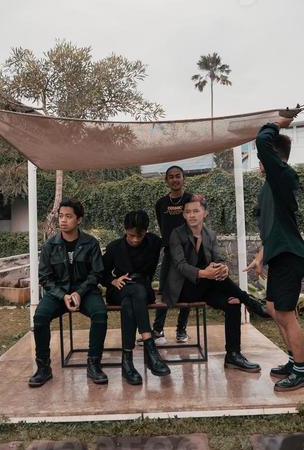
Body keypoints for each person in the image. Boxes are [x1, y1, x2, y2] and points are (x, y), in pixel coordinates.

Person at [163, 194, 261, 372]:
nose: (192, 215)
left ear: (205, 213)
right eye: (188, 212)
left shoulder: (210, 234)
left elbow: (219, 258)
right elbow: (180, 265)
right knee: (217, 279)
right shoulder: (176, 234)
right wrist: (204, 273)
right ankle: (250, 301)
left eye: (196, 211)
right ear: (183, 215)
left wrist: (222, 268)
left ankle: (233, 355)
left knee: (233, 303)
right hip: (183, 289)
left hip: (206, 286)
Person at [248, 123, 304, 391]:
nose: (260, 161)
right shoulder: (270, 186)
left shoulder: (281, 176)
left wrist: (275, 124)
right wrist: (261, 256)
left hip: (289, 256)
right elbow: (272, 228)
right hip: (279, 255)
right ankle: (292, 360)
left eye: (263, 157)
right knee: (274, 308)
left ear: (271, 156)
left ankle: (301, 371)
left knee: (285, 314)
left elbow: (262, 142)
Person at [29, 199, 108, 388]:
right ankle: (43, 368)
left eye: (69, 216)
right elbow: (45, 277)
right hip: (58, 293)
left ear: (79, 219)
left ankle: (94, 364)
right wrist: (61, 295)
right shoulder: (50, 245)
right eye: (61, 216)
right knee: (40, 316)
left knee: (100, 315)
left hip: (86, 292)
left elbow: (97, 273)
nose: (63, 220)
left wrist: (79, 293)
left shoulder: (90, 243)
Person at [102, 210, 171, 385]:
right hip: (119, 289)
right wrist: (112, 279)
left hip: (142, 289)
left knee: (131, 300)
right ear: (125, 230)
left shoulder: (154, 242)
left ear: (146, 231)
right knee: (132, 294)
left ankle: (127, 362)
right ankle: (150, 347)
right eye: (131, 235)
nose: (135, 239)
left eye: (139, 235)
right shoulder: (114, 247)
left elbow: (176, 235)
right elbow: (100, 272)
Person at [152, 165, 192, 343]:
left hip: (190, 253)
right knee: (164, 290)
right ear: (166, 180)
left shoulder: (192, 200)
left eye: (178, 176)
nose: (175, 179)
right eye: (171, 177)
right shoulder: (161, 203)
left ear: (184, 179)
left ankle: (181, 330)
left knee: (187, 290)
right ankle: (158, 330)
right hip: (169, 252)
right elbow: (163, 227)